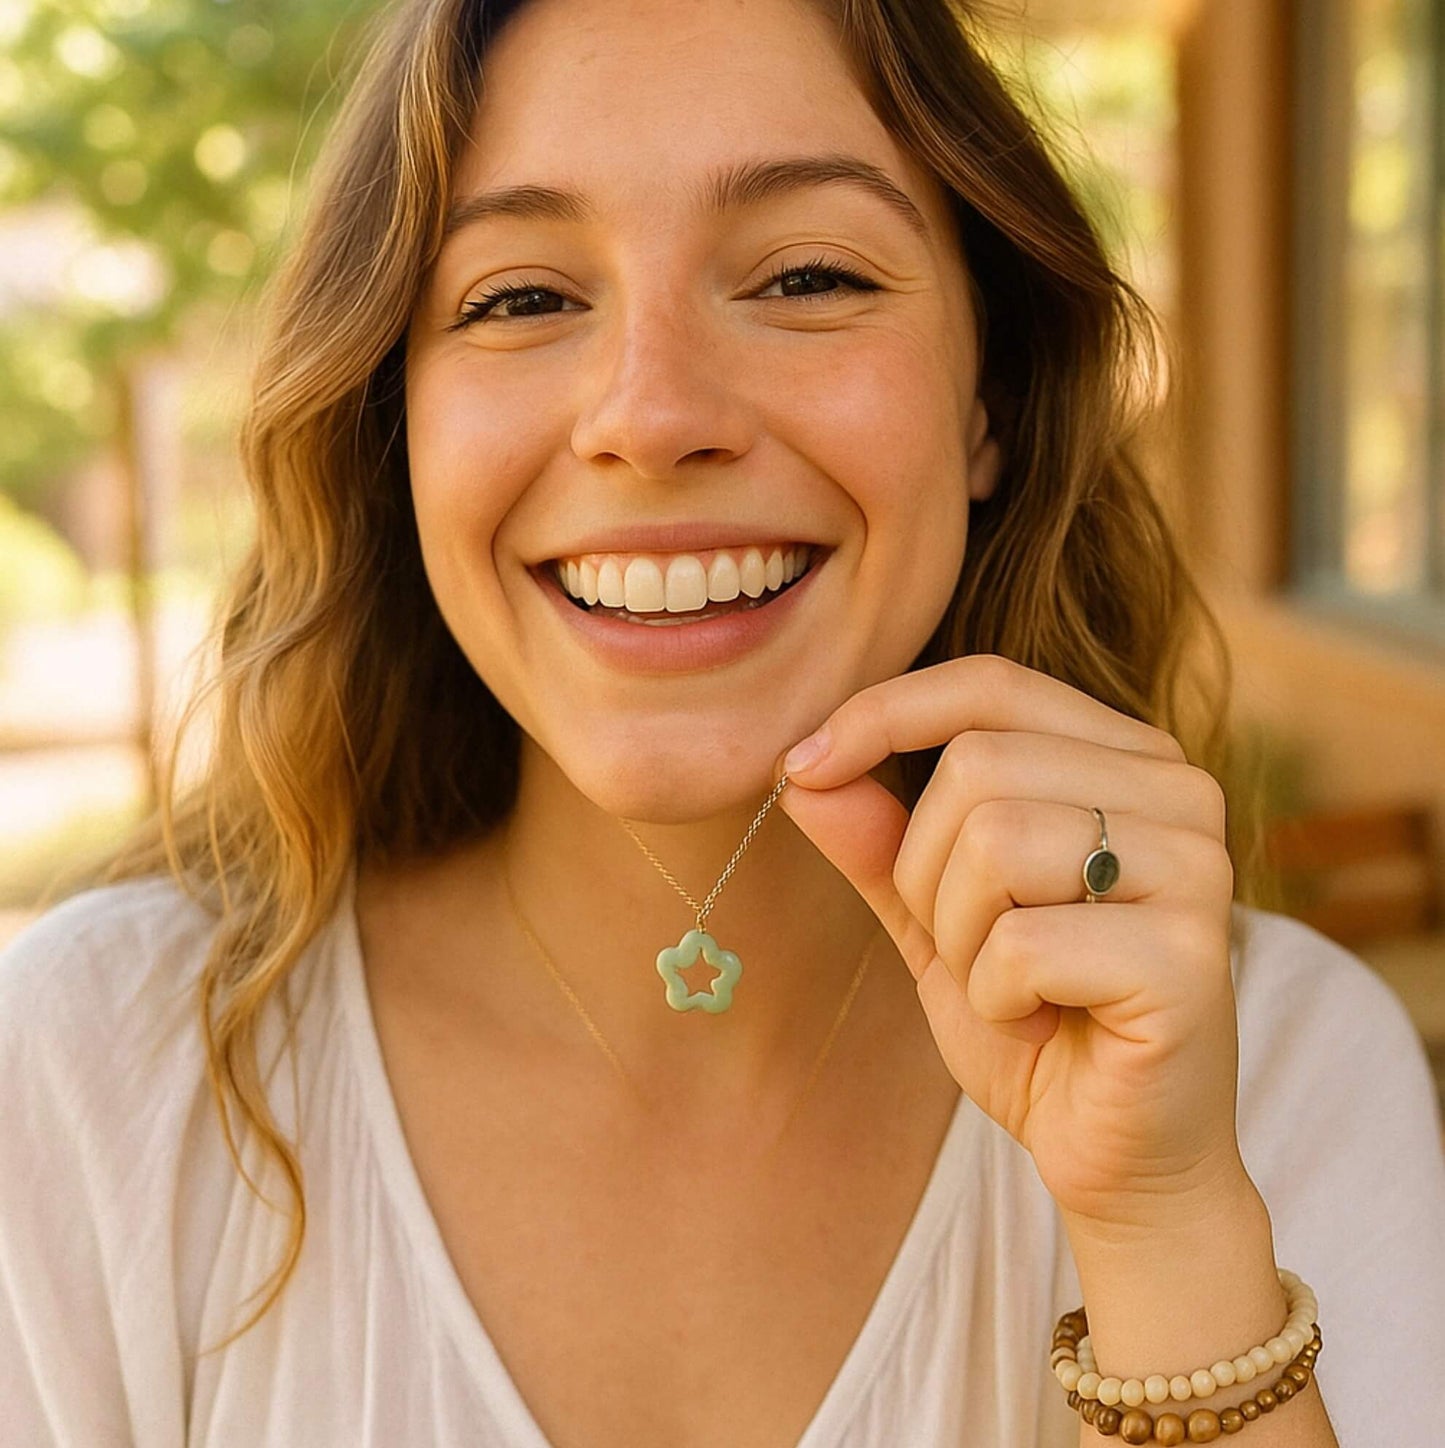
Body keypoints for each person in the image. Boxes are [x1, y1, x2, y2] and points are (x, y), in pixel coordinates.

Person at [2, 0, 1442, 1444]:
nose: (651, 413)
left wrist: (1162, 1224)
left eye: (806, 274)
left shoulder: (1280, 1069)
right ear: (393, 420)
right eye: (519, 298)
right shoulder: (97, 1082)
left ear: (988, 398)